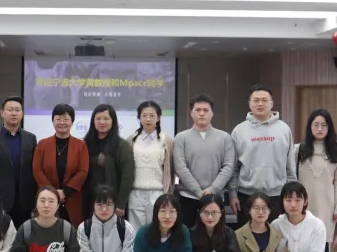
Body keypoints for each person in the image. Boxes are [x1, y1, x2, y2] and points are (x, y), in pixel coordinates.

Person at [229, 85, 296, 227]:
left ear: (271, 103)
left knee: (276, 236)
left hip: (277, 195)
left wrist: (291, 195)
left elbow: (290, 166)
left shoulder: (284, 129)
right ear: (249, 104)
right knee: (246, 237)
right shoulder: (239, 131)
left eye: (264, 100)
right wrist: (232, 194)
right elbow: (233, 167)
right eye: (256, 100)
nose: (260, 104)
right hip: (246, 195)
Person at [172, 94, 235, 230]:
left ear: (212, 113)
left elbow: (228, 167)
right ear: (191, 112)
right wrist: (198, 192)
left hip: (215, 198)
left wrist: (212, 190)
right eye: (198, 110)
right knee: (187, 235)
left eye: (206, 110)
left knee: (215, 235)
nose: (202, 113)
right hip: (187, 197)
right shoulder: (181, 138)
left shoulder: (224, 138)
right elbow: (180, 167)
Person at [0, 96, 38, 228]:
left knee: (23, 236)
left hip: (24, 200)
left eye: (18, 110)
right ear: (2, 113)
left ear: (22, 114)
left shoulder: (30, 138)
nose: (14, 113)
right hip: (0, 199)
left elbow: (34, 169)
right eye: (10, 109)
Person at [295, 109, 337, 243]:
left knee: (323, 242)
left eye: (324, 125)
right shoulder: (298, 150)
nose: (320, 129)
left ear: (329, 127)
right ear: (310, 127)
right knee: (301, 242)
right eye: (316, 125)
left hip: (327, 207)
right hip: (302, 206)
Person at [32, 103, 90, 227]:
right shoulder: (42, 144)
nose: (62, 122)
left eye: (66, 119)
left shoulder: (81, 145)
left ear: (72, 121)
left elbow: (83, 171)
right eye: (58, 119)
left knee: (71, 231)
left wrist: (65, 192)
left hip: (73, 198)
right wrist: (53, 192)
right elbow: (37, 170)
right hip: (47, 198)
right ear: (53, 121)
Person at [82, 104, 135, 221]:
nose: (102, 122)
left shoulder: (122, 145)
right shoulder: (84, 144)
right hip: (88, 200)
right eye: (98, 118)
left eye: (106, 119)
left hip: (112, 201)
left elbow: (127, 177)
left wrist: (121, 204)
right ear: (93, 121)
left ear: (113, 121)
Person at [127, 100, 173, 229]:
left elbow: (171, 169)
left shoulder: (167, 141)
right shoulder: (131, 140)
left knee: (158, 230)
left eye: (152, 115)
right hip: (135, 193)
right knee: (136, 231)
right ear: (139, 117)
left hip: (158, 193)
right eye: (144, 115)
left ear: (158, 117)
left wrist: (168, 193)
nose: (148, 119)